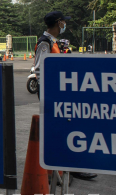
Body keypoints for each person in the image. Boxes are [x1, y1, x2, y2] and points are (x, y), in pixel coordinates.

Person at [34, 11, 97, 181]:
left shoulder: (54, 42)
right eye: (63, 22)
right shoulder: (44, 42)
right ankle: (58, 171)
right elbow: (39, 69)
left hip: (58, 91)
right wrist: (49, 92)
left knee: (65, 129)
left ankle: (65, 168)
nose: (65, 25)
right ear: (58, 23)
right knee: (58, 129)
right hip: (51, 93)